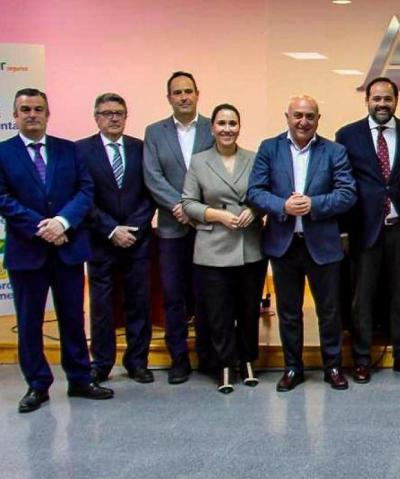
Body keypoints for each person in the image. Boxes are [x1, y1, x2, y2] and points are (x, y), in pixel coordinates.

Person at [0, 88, 113, 413]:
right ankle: (37, 385)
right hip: (27, 252)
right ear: (15, 116)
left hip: (68, 249)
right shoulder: (4, 153)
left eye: (38, 109)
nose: (32, 114)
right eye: (25, 110)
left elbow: (85, 190)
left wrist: (62, 223)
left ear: (48, 114)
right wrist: (43, 227)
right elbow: (3, 199)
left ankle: (79, 378)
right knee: (30, 321)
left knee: (73, 318)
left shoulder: (68, 150)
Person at [247, 95, 357, 392]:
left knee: (329, 311)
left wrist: (314, 204)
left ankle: (332, 366)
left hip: (323, 244)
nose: (303, 122)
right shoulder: (269, 148)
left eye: (309, 116)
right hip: (284, 244)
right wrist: (283, 205)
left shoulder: (335, 151)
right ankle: (292, 368)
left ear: (318, 119)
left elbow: (348, 193)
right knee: (289, 311)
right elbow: (255, 192)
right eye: (298, 115)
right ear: (287, 117)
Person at [335, 76, 400, 384]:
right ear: (367, 101)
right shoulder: (347, 135)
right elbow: (342, 184)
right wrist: (343, 231)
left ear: (396, 101)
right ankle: (361, 359)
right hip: (364, 228)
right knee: (363, 297)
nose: (382, 104)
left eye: (388, 98)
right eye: (376, 98)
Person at [181, 103, 265, 394]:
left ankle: (248, 361)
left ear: (239, 127)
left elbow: (264, 193)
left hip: (249, 246)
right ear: (212, 127)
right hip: (213, 246)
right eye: (222, 123)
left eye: (232, 123)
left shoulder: (254, 158)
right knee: (218, 312)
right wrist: (217, 215)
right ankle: (224, 364)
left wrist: (254, 210)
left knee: (248, 309)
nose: (227, 129)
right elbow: (188, 202)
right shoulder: (199, 161)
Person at [77, 93, 154, 386]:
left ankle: (137, 362)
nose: (114, 118)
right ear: (96, 117)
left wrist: (132, 228)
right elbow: (84, 196)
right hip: (100, 241)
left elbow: (150, 193)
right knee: (102, 306)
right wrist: (111, 229)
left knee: (139, 303)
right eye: (107, 113)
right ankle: (102, 363)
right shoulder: (82, 151)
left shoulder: (140, 148)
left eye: (119, 112)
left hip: (137, 240)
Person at [143, 71, 214, 384]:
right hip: (172, 228)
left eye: (188, 91)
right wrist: (181, 207)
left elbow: (220, 171)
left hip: (207, 229)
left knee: (206, 295)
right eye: (177, 92)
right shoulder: (154, 132)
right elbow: (152, 176)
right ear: (168, 97)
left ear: (198, 94)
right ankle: (179, 360)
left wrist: (195, 210)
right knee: (173, 296)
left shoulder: (214, 127)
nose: (183, 97)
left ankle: (209, 356)